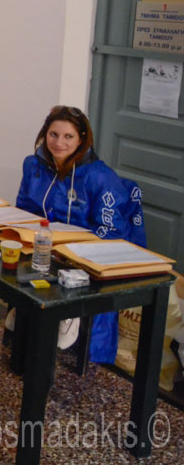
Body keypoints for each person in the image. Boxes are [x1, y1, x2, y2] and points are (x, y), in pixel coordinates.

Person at [15, 105, 146, 360]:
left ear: (81, 140)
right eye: (53, 134)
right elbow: (24, 210)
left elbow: (111, 232)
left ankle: (67, 317)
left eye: (68, 136)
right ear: (44, 133)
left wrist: (70, 247)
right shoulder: (33, 165)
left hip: (84, 256)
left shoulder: (100, 177)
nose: (59, 143)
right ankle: (26, 315)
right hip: (45, 248)